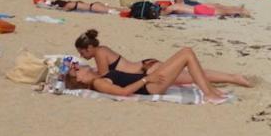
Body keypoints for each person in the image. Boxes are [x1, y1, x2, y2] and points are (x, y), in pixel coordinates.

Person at [74, 28, 251, 90]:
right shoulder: (102, 50)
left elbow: (105, 77)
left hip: (149, 71)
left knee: (192, 76)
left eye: (83, 53)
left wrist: (88, 74)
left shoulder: (99, 53)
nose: (83, 56)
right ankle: (230, 78)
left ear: (90, 47)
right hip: (147, 65)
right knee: (191, 75)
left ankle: (233, 78)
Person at [63, 48, 230, 103]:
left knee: (187, 54)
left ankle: (210, 91)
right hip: (151, 86)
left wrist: (68, 69)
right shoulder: (98, 84)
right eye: (77, 70)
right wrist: (146, 79)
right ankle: (209, 94)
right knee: (186, 53)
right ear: (79, 79)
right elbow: (123, 92)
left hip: (150, 82)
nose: (80, 67)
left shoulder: (99, 77)